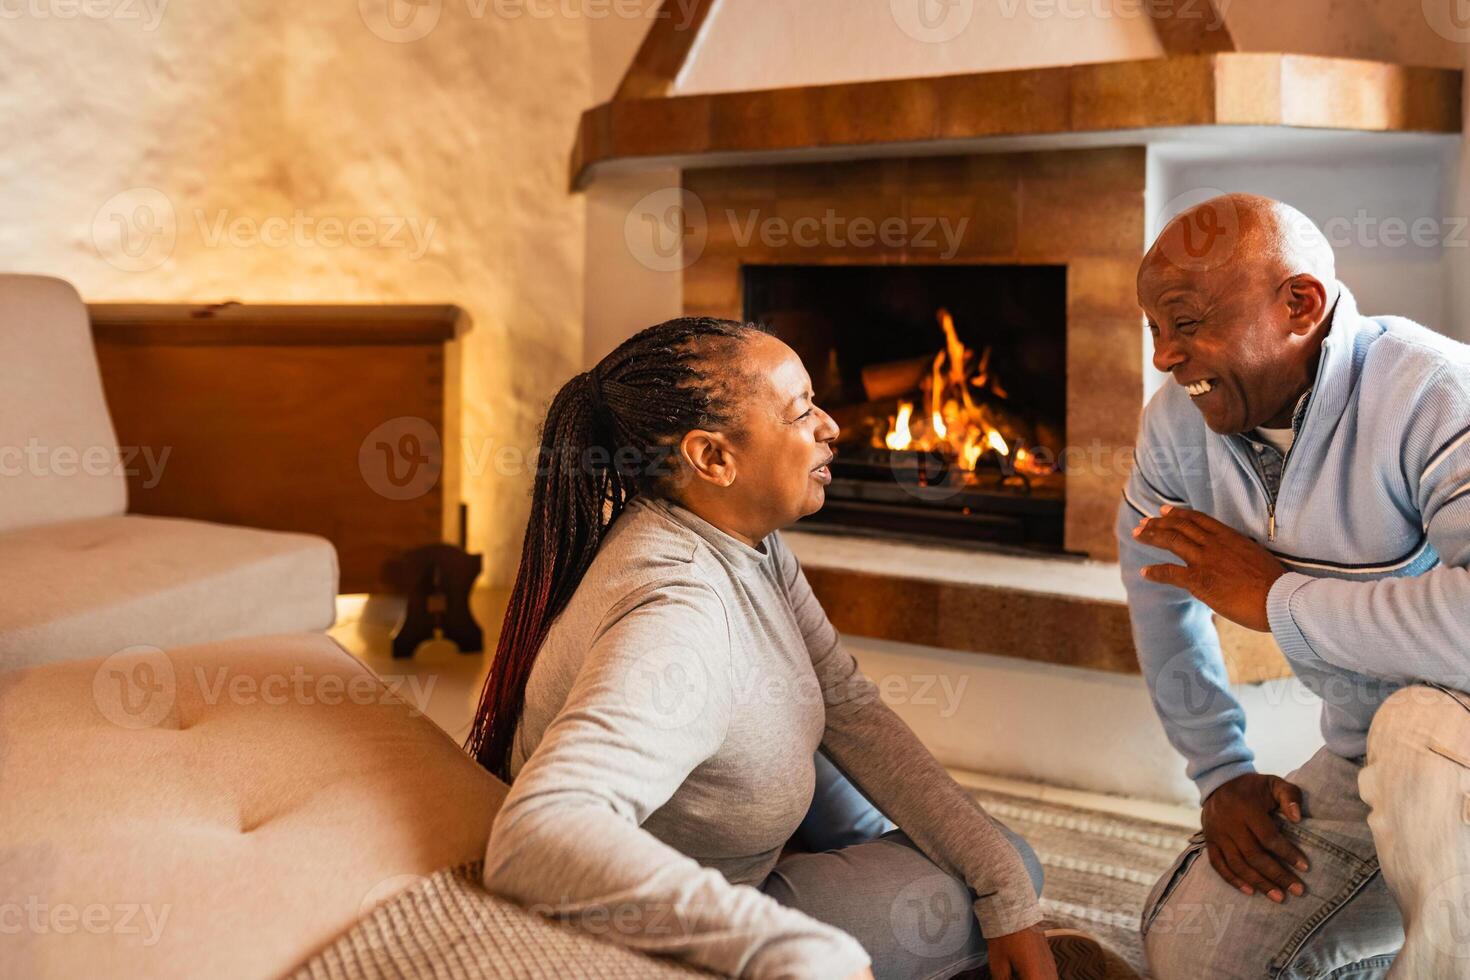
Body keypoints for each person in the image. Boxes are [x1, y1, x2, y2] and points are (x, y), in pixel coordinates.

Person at [470, 317, 1106, 979]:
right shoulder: (679, 616)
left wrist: (999, 887)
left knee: (997, 869)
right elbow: (532, 836)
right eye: (801, 411)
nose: (832, 427)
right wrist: (787, 948)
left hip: (740, 799)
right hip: (716, 898)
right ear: (712, 458)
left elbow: (849, 707)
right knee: (1016, 866)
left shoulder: (742, 537)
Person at [1118, 193, 1470, 978]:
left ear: (1300, 305)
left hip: (1444, 744)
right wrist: (1222, 771)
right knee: (1189, 953)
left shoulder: (1436, 392)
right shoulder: (1176, 427)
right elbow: (1154, 586)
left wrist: (1278, 602)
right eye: (1154, 328)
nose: (1163, 358)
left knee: (1415, 730)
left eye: (1185, 322)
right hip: (1366, 759)